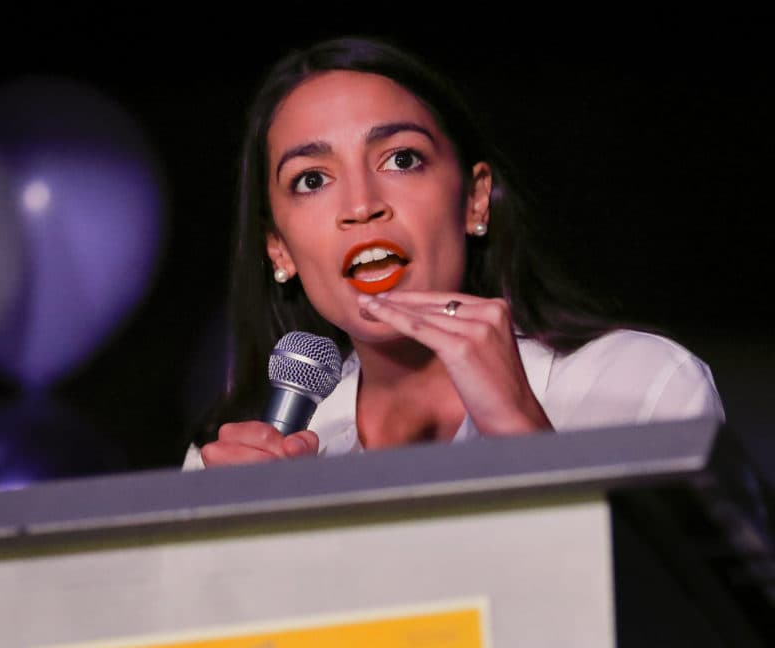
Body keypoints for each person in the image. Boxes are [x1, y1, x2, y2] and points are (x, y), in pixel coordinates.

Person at [182, 35, 724, 470]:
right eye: (312, 179)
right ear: (279, 249)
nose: (362, 206)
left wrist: (520, 434)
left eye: (400, 160)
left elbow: (661, 606)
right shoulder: (234, 463)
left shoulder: (637, 385)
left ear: (474, 200)